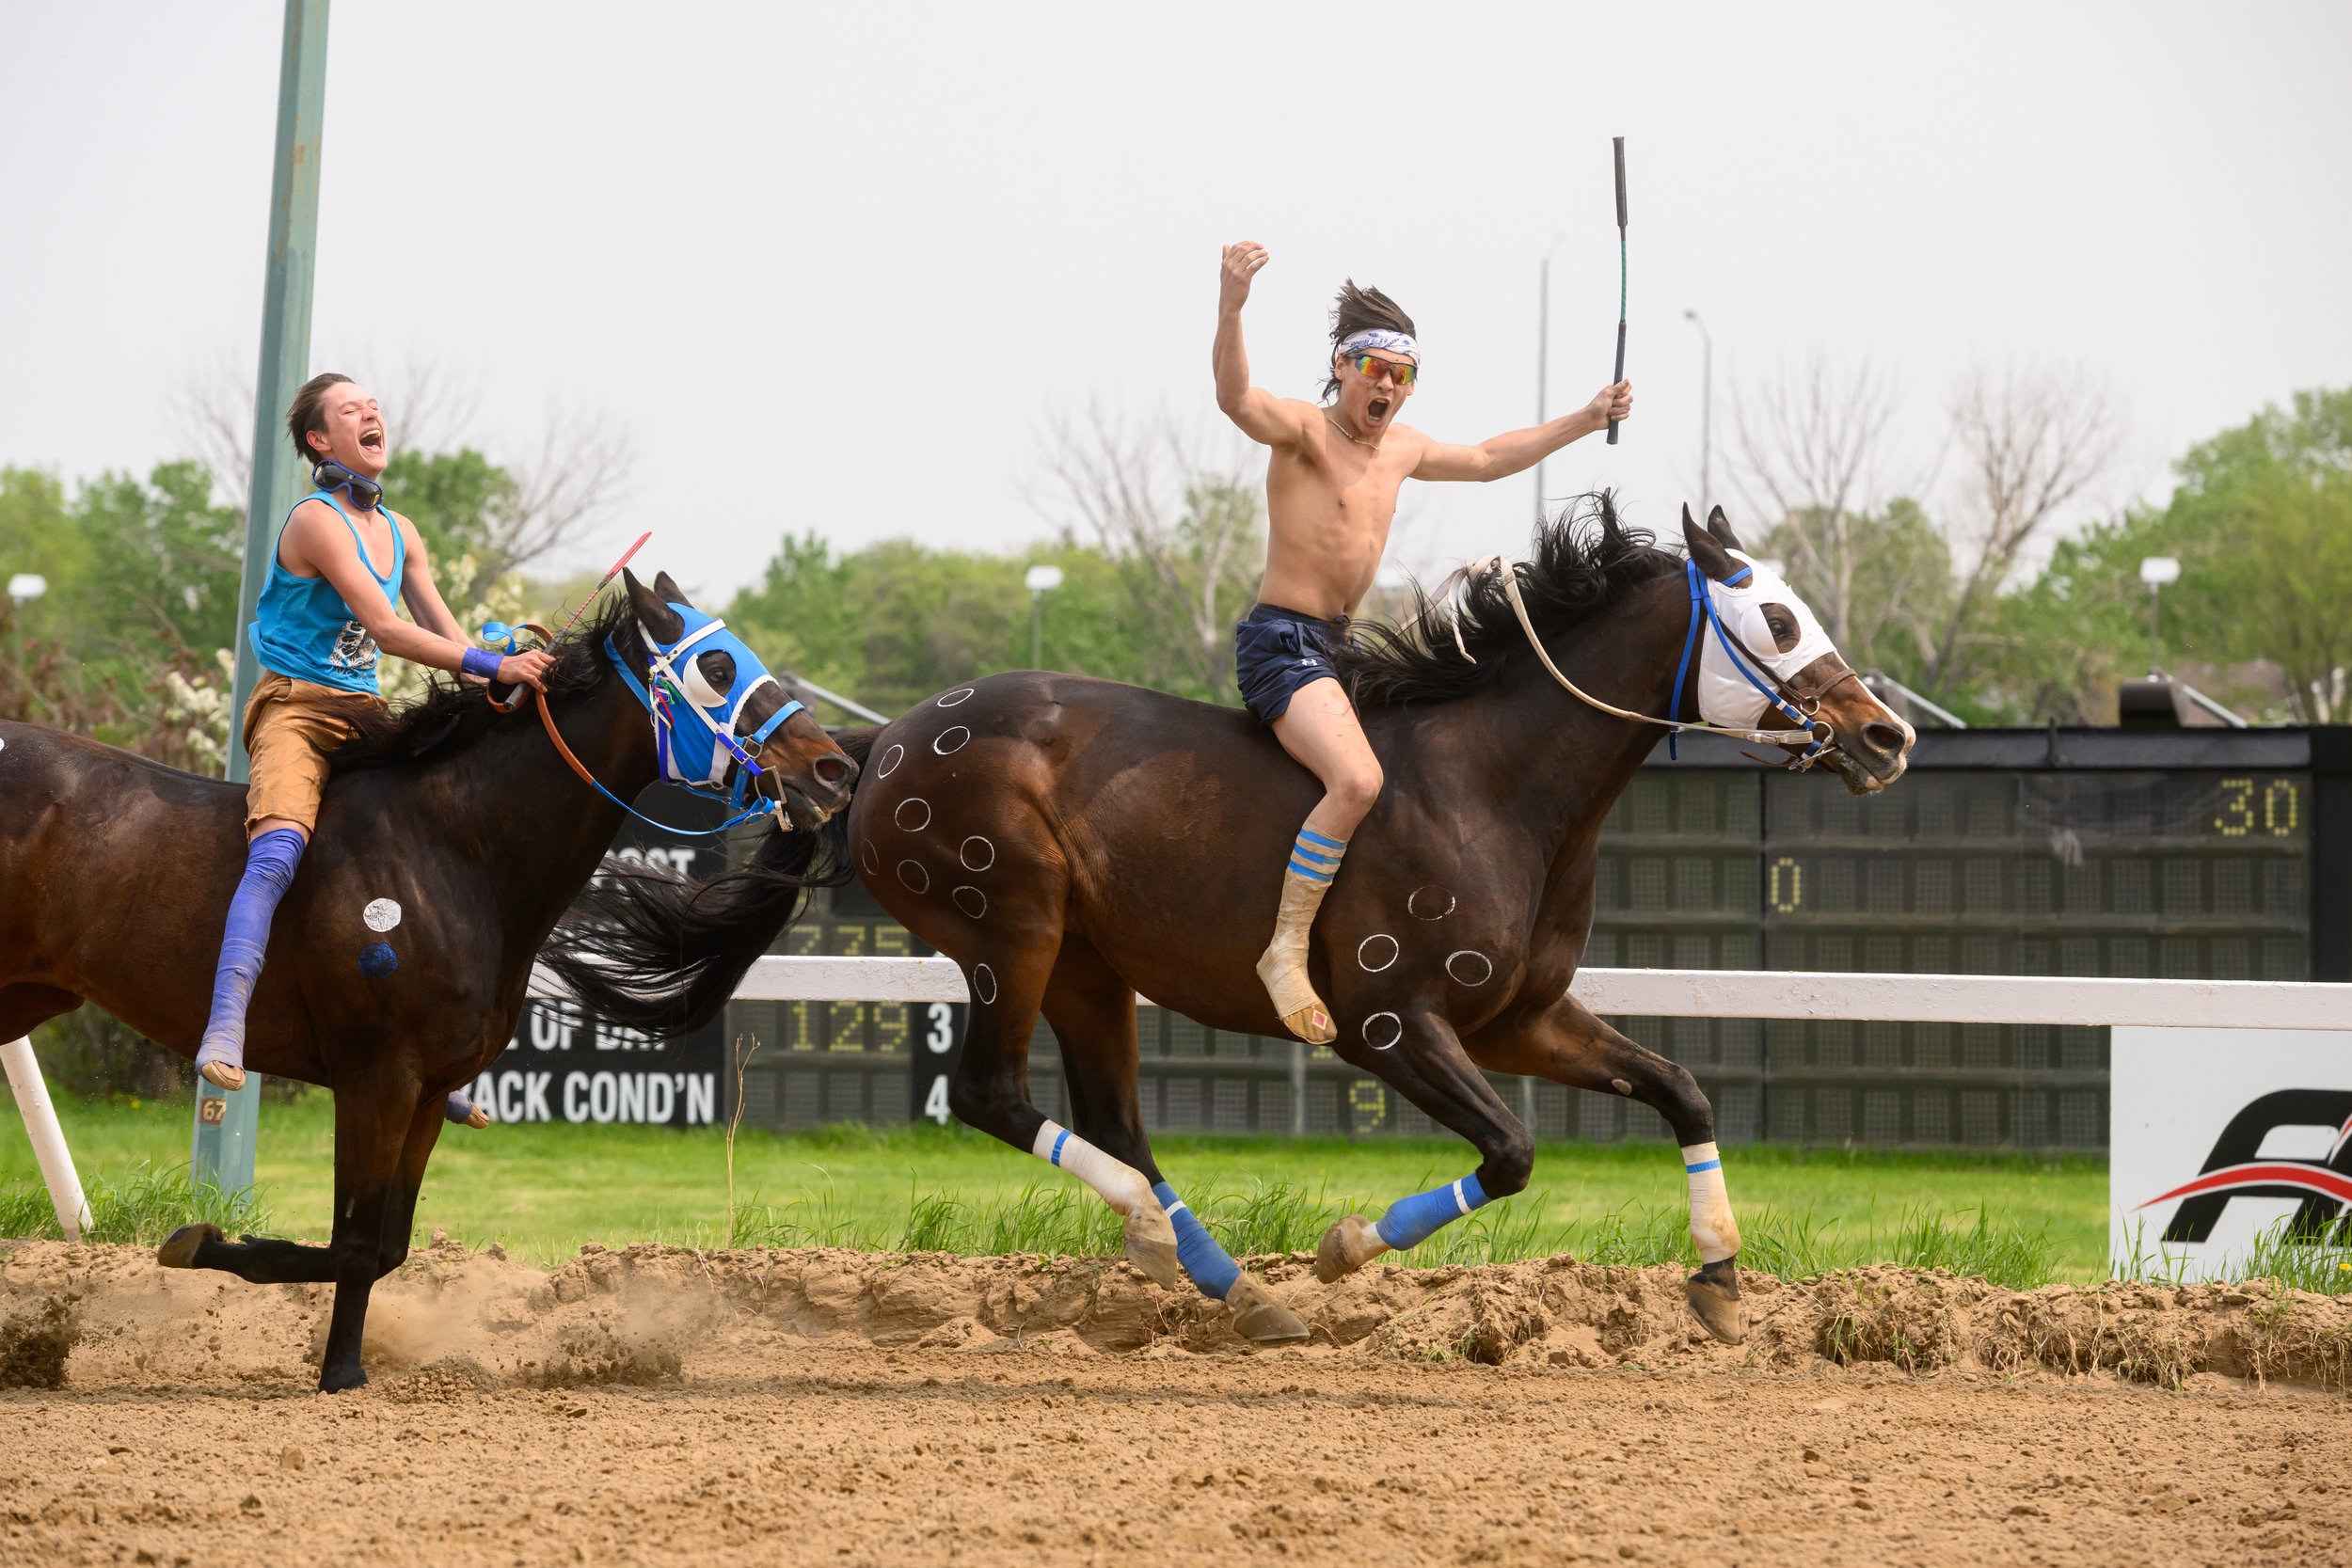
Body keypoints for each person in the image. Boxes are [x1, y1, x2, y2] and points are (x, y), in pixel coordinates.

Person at [1214, 243, 1634, 1042]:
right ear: (1341, 367)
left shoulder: (1399, 449)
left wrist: (1586, 418)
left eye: (1402, 376)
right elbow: (1236, 397)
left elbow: (1483, 459)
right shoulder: (1303, 432)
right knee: (1357, 780)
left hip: (1341, 649)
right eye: (1374, 368)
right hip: (1282, 646)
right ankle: (1284, 950)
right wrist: (1233, 307)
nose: (1387, 387)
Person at [195, 373, 553, 1126]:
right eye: (351, 410)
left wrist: (500, 660)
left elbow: (449, 640)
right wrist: (491, 667)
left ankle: (426, 1054)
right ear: (320, 442)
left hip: (367, 713)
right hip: (297, 710)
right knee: (278, 852)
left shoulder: (404, 533)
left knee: (432, 842)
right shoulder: (316, 522)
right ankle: (224, 1025)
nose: (372, 414)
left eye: (374, 407)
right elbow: (390, 632)